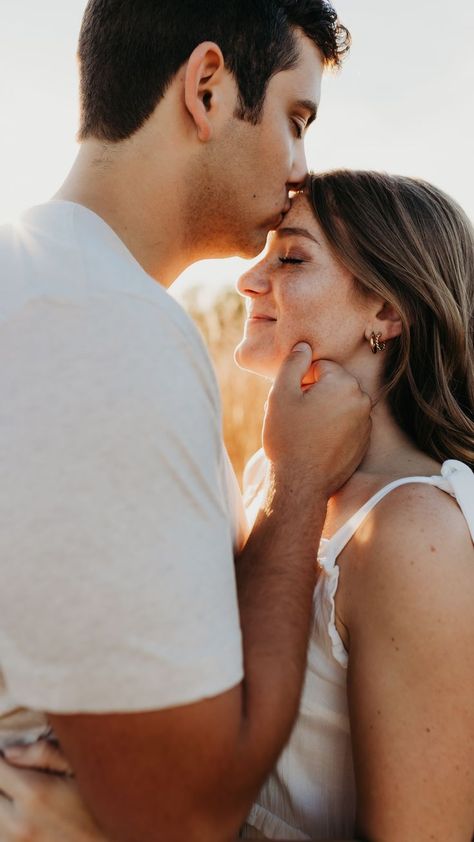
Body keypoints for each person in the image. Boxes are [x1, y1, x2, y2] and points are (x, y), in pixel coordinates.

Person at [1, 170, 472, 842]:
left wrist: (119, 827)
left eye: (291, 258)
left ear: (386, 312)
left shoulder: (416, 533)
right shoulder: (268, 477)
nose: (250, 281)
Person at [0, 2, 372, 841]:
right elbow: (186, 816)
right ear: (207, 87)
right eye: (295, 118)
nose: (299, 169)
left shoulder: (42, 287)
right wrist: (299, 484)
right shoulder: (107, 329)